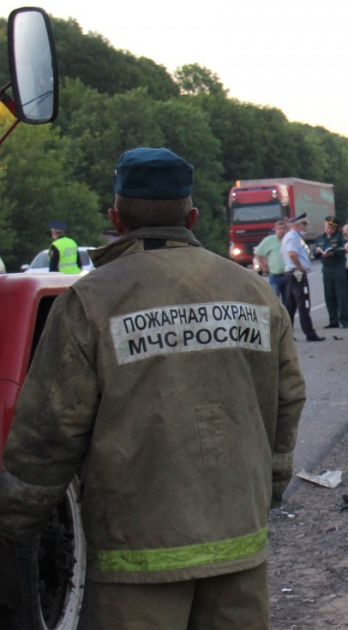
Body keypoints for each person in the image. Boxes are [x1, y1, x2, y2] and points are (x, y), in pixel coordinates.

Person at [0, 147, 306, 628]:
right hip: (238, 542)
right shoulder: (252, 290)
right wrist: (267, 487)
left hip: (137, 560)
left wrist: (15, 522)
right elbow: (287, 399)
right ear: (193, 215)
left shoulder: (92, 299)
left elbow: (51, 428)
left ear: (115, 218)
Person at [282, 214, 324, 342]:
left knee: (291, 305)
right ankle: (309, 333)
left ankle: (286, 335)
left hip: (292, 273)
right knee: (303, 304)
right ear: (297, 225)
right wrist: (300, 267)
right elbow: (292, 253)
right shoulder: (293, 238)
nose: (305, 227)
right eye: (303, 224)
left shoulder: (293, 236)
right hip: (296, 274)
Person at [313, 216, 348, 329]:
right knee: (329, 295)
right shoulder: (320, 237)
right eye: (328, 227)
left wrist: (333, 252)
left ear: (336, 227)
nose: (330, 229)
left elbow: (344, 249)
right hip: (326, 269)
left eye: (332, 227)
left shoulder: (340, 236)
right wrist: (318, 252)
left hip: (338, 268)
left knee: (341, 295)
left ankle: (344, 320)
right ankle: (333, 320)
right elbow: (315, 253)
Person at [254, 220, 289, 300]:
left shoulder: (289, 240)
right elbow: (258, 253)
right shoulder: (269, 240)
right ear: (275, 230)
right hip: (275, 275)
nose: (282, 231)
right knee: (274, 299)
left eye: (284, 229)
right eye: (279, 229)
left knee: (288, 300)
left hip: (288, 274)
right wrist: (263, 266)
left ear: (287, 230)